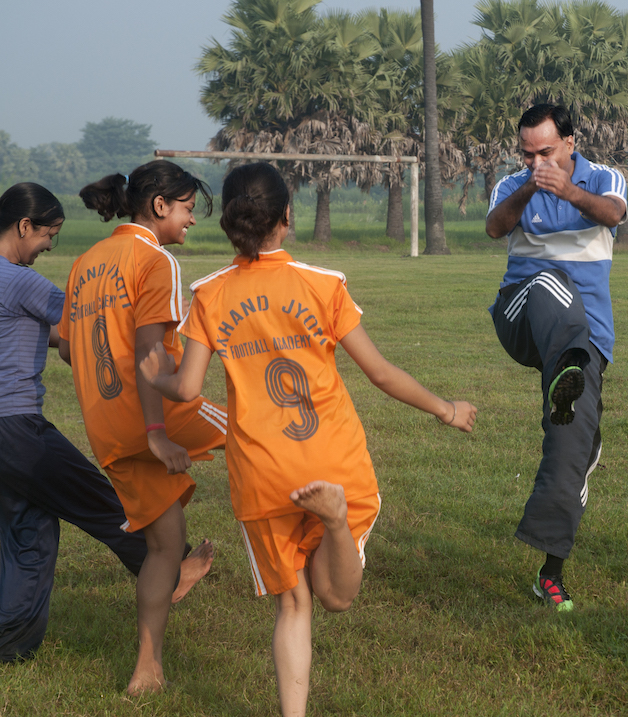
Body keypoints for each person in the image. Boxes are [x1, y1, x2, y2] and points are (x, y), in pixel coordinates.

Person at [139, 162, 476, 717]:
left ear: (228, 223)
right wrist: (447, 409)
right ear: (287, 218)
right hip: (332, 460)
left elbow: (190, 389)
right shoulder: (323, 285)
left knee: (295, 604)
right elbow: (382, 373)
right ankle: (337, 520)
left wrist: (157, 378)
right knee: (338, 596)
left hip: (263, 474)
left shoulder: (212, 295)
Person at [0, 183, 211, 664]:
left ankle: (11, 645)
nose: (50, 246)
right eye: (48, 235)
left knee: (29, 529)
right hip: (15, 427)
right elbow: (82, 325)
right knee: (101, 501)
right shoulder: (20, 281)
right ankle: (171, 569)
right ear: (23, 227)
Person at [59, 161, 227, 694]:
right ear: (159, 207)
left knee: (164, 547)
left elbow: (67, 347)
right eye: (186, 209)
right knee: (257, 430)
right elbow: (153, 352)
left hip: (106, 428)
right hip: (155, 417)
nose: (191, 221)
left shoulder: (86, 261)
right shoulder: (154, 259)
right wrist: (156, 430)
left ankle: (146, 670)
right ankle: (312, 545)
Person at [485, 104, 626, 611]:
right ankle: (566, 363)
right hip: (524, 315)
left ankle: (551, 572)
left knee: (577, 448)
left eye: (545, 151)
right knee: (552, 281)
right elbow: (495, 228)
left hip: (587, 341)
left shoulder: (603, 178)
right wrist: (531, 186)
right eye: (527, 153)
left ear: (570, 142)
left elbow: (613, 214)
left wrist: (566, 190)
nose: (535, 160)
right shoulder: (512, 185)